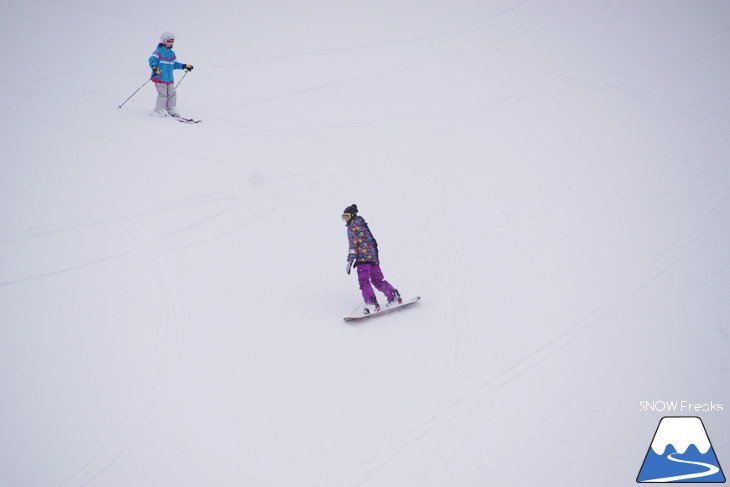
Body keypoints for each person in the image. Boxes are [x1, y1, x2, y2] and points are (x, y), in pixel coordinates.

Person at [343, 204, 402, 314]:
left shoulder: (352, 227)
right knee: (378, 280)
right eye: (343, 218)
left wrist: (350, 260)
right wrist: (375, 259)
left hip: (362, 261)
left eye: (346, 217)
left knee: (364, 281)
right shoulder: (363, 225)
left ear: (351, 215)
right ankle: (393, 296)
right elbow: (373, 242)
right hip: (373, 259)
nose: (345, 220)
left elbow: (353, 245)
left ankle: (371, 304)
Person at [148, 31, 193, 117]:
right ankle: (159, 109)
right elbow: (152, 60)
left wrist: (184, 66)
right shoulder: (158, 51)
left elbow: (174, 64)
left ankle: (171, 108)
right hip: (160, 77)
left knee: (172, 93)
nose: (170, 43)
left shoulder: (171, 53)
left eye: (172, 41)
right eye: (168, 41)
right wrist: (155, 68)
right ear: (163, 41)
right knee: (163, 94)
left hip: (169, 78)